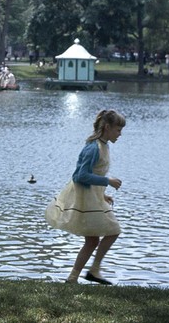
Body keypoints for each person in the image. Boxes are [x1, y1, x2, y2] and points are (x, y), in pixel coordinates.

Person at [45, 109, 126, 284]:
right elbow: (80, 176)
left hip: (93, 197)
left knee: (92, 240)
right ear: (107, 127)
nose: (120, 134)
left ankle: (74, 278)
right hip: (83, 197)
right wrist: (107, 181)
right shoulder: (93, 148)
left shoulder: (104, 145)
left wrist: (103, 194)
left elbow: (93, 173)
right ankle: (94, 270)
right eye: (118, 130)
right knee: (113, 230)